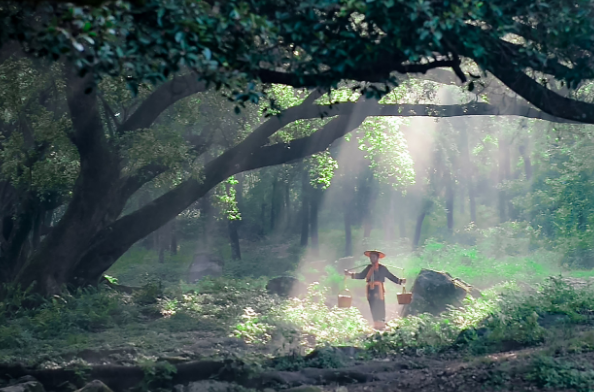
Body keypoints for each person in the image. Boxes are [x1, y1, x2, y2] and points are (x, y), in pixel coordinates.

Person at [344, 250, 406, 330]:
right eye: (371, 257)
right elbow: (361, 276)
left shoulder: (382, 268)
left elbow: (391, 277)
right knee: (372, 305)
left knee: (380, 304)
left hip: (378, 289)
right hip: (370, 290)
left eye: (373, 257)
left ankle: (382, 323)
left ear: (377, 258)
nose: (372, 259)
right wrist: (349, 274)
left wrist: (400, 281)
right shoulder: (369, 268)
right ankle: (376, 323)